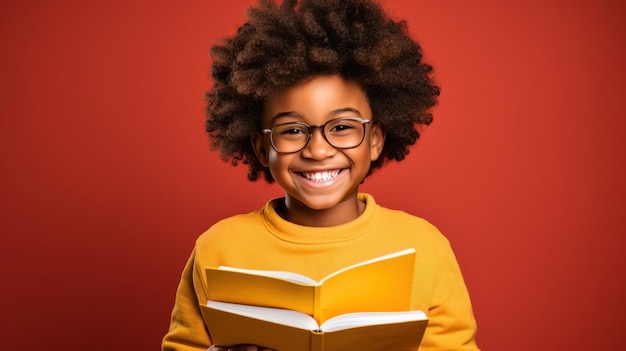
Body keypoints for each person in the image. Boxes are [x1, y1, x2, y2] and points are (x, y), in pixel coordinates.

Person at [162, 0, 479, 350]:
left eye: (342, 126)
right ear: (259, 146)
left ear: (375, 140)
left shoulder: (425, 247)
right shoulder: (218, 247)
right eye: (292, 131)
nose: (317, 150)